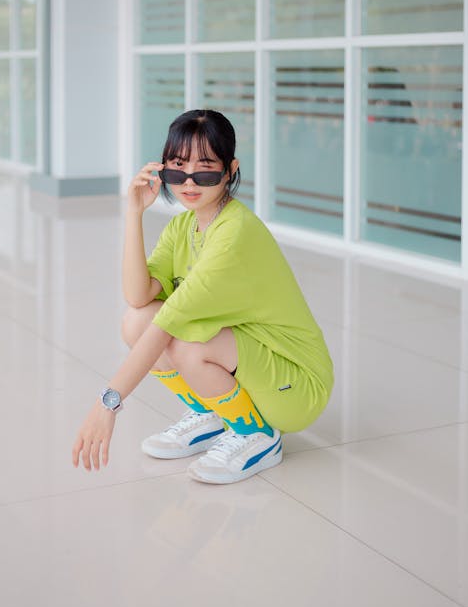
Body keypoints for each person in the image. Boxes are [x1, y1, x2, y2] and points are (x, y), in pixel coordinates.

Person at [72, 109, 334, 484]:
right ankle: (213, 415)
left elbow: (169, 324)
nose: (189, 181)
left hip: (295, 383)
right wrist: (133, 213)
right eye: (177, 168)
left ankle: (256, 434)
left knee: (188, 344)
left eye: (206, 168)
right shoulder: (184, 225)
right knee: (136, 320)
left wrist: (107, 403)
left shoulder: (234, 235)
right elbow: (138, 295)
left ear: (230, 170)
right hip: (249, 358)